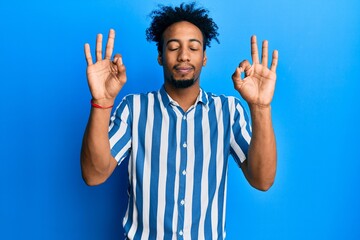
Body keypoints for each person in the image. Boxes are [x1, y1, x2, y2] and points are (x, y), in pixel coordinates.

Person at [81, 2, 278, 239]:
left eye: (193, 48)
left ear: (204, 57)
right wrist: (102, 101)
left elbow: (263, 179)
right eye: (173, 47)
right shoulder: (134, 109)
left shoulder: (228, 111)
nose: (184, 56)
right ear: (160, 57)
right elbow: (94, 175)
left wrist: (260, 106)